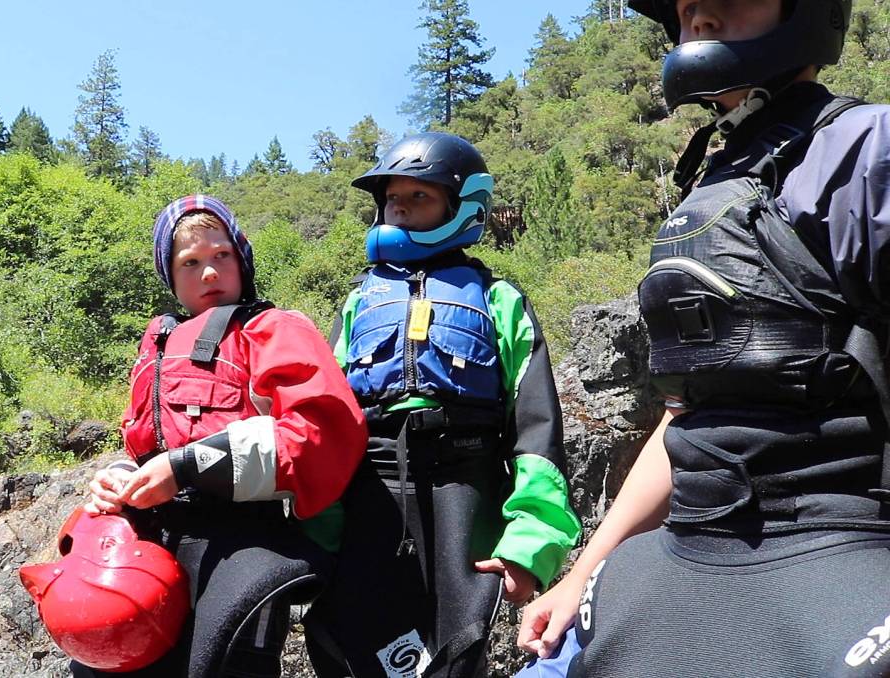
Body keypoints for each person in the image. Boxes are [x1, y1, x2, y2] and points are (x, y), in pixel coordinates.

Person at [516, 0, 890, 676]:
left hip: (833, 541)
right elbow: (687, 416)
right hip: (687, 544)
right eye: (688, 7)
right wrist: (582, 575)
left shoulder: (867, 152)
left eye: (728, 0)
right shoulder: (711, 184)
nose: (702, 20)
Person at [303, 132, 581, 678]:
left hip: (466, 490)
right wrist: (318, 535)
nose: (399, 209)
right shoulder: (359, 303)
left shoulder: (500, 300)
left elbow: (537, 430)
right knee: (358, 649)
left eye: (419, 196)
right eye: (392, 199)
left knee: (457, 651)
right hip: (373, 493)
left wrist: (530, 546)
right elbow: (327, 425)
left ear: (463, 206)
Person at [76, 194, 368, 677]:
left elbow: (322, 434)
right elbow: (145, 447)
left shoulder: (273, 329)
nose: (208, 272)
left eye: (221, 255)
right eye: (190, 262)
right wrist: (121, 477)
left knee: (220, 661)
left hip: (246, 534)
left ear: (242, 258)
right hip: (159, 537)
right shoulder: (160, 341)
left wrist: (187, 467)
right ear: (169, 275)